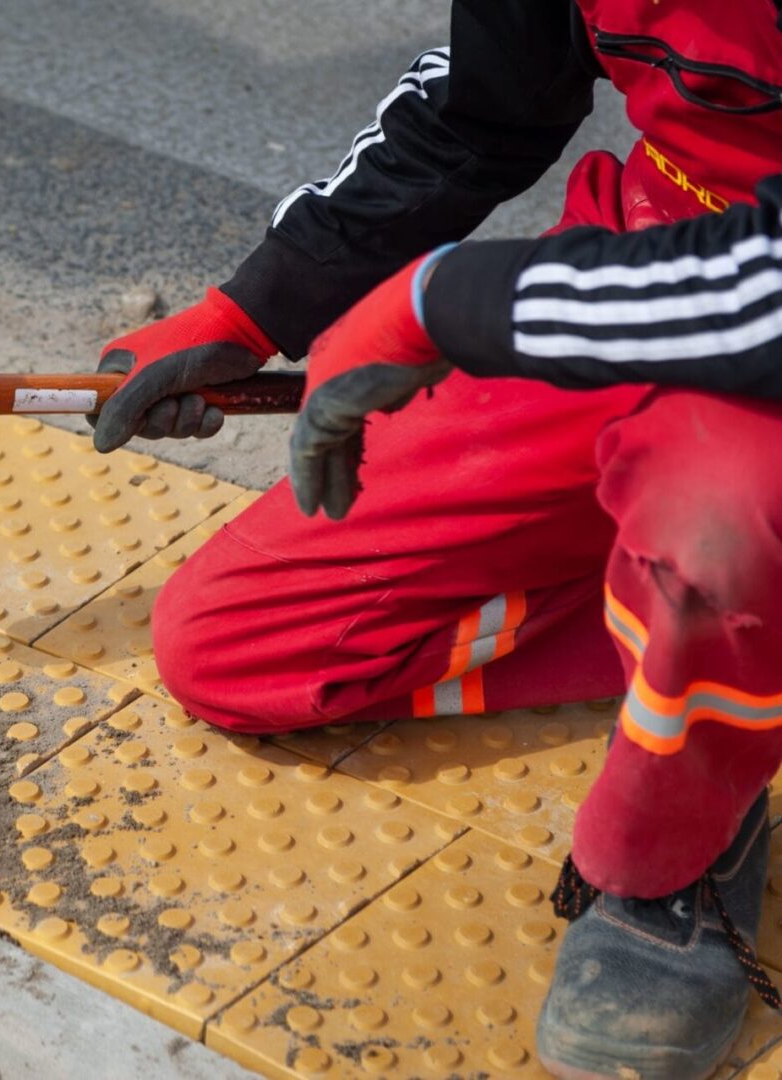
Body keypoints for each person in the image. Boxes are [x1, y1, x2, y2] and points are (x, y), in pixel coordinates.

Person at [88, 2, 782, 1077]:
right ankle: (699, 623)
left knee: (717, 530)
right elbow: (480, 108)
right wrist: (255, 307)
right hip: (657, 263)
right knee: (240, 648)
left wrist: (441, 306)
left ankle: (675, 852)